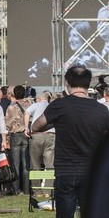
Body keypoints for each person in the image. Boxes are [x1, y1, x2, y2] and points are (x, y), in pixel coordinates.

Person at [32, 65, 109, 218]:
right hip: (91, 172)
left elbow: (36, 125)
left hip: (66, 171)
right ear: (88, 84)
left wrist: (54, 122)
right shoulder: (101, 110)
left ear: (67, 82)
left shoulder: (60, 106)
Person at [5, 85, 30, 196]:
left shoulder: (11, 107)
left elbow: (7, 124)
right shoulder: (29, 105)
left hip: (15, 135)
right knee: (26, 164)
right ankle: (27, 189)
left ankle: (16, 189)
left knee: (15, 163)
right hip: (26, 135)